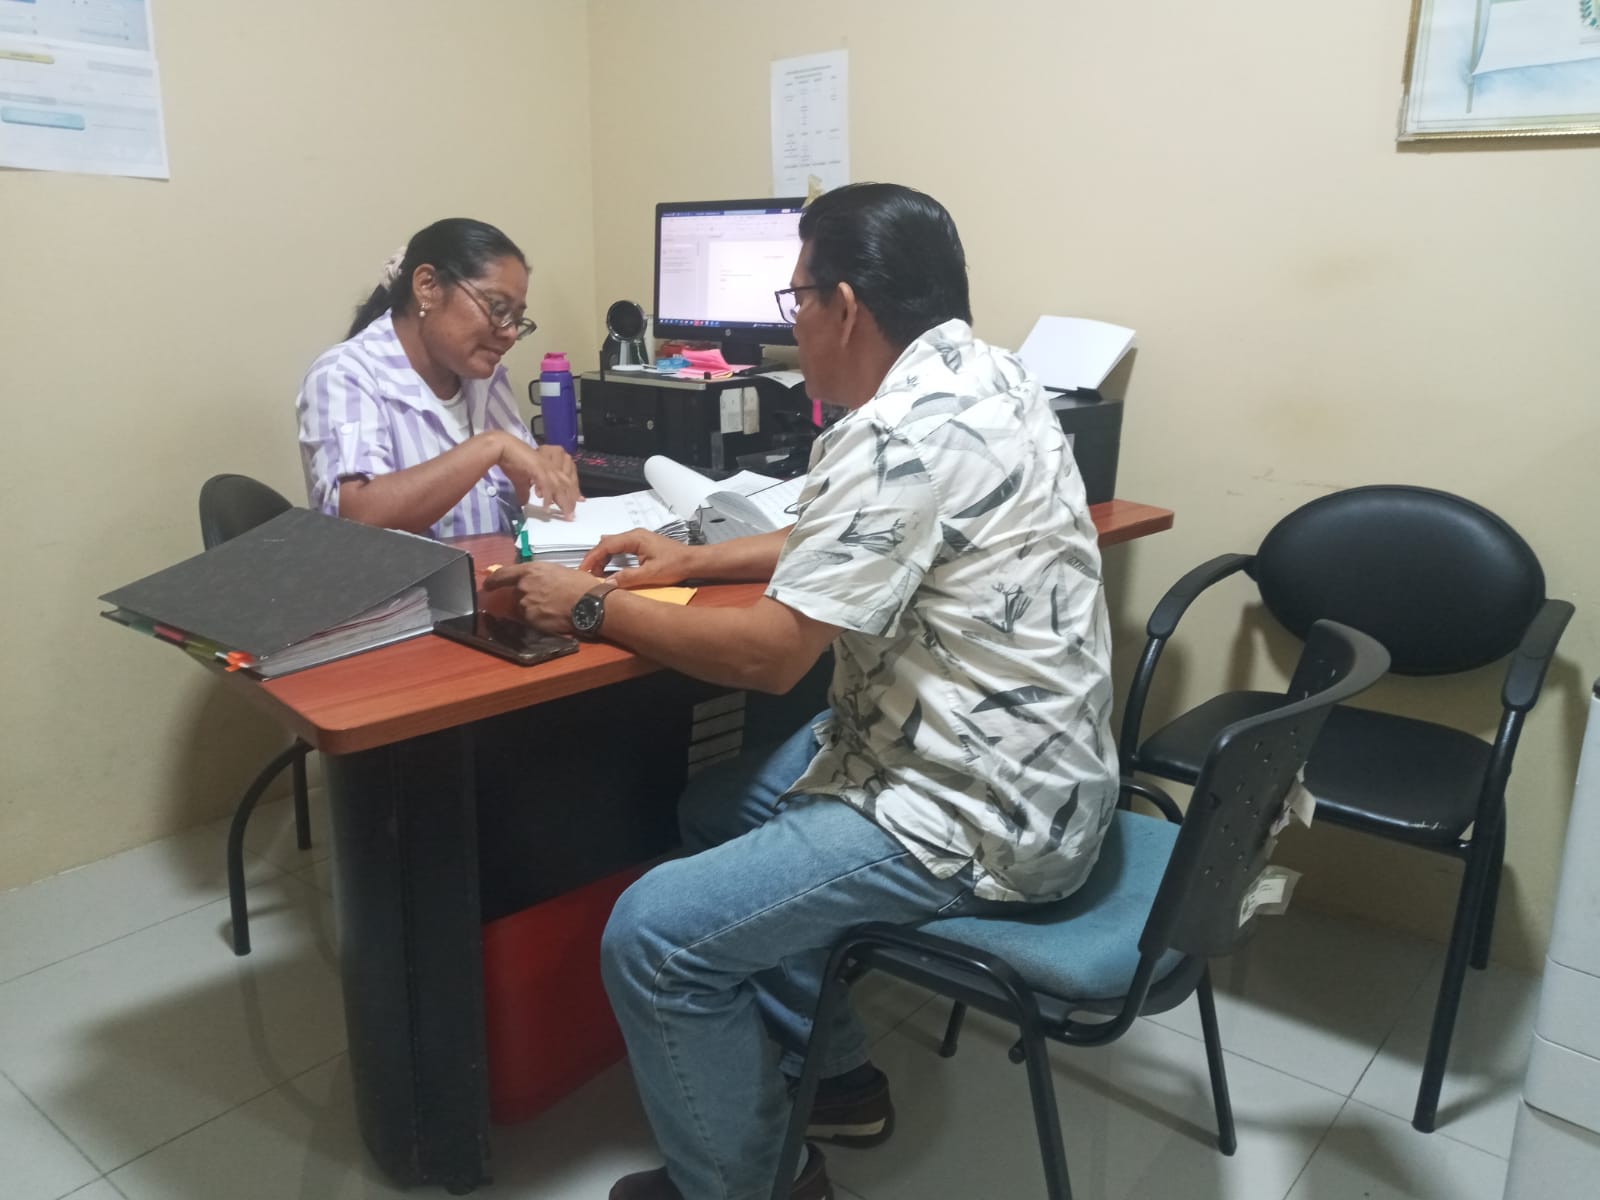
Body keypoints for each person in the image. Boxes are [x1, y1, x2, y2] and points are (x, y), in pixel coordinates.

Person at [486, 183, 1120, 1200]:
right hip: (1049, 781)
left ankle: (751, 1186)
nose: (795, 326)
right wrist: (682, 560)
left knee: (653, 936)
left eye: (796, 302)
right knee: (716, 808)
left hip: (976, 815)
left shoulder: (895, 432)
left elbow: (771, 657)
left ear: (846, 308)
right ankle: (838, 1080)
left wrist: (588, 607)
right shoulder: (988, 377)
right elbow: (850, 534)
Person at [296, 217, 580, 538]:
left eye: (517, 319)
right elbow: (358, 515)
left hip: (494, 566)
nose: (510, 333)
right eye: (498, 309)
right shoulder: (345, 374)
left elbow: (514, 504)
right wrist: (491, 446)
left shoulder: (485, 378)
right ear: (428, 286)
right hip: (413, 573)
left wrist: (539, 472)